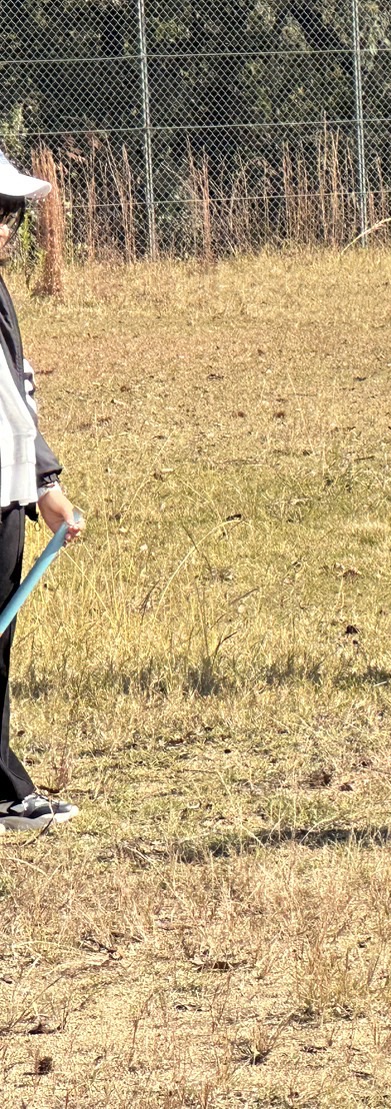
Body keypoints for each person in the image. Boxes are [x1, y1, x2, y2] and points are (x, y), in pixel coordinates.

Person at [0, 148, 85, 831]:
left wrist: (43, 486)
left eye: (10, 214)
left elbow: (16, 402)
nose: (5, 227)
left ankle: (3, 786)